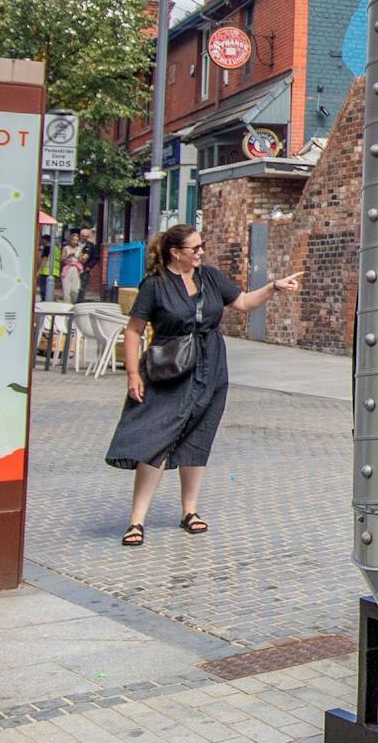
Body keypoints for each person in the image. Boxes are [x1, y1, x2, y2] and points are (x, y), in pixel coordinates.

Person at [105, 223, 297, 545]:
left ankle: (189, 510)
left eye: (201, 246)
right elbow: (134, 330)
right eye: (195, 248)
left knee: (198, 437)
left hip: (210, 368)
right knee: (156, 439)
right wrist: (133, 375)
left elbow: (244, 302)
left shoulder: (209, 277)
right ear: (175, 253)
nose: (201, 252)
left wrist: (274, 287)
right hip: (169, 371)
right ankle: (137, 520)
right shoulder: (155, 286)